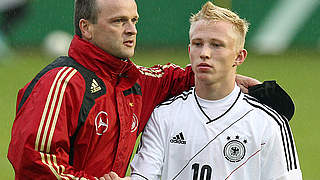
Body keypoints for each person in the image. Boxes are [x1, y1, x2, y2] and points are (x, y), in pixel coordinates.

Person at [7, 0, 294, 179]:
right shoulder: (61, 83)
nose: (131, 29)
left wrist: (229, 79)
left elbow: (171, 78)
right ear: (87, 28)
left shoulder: (132, 83)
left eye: (134, 20)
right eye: (119, 21)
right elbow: (36, 165)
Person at [129, 2, 302, 180]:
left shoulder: (269, 122)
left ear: (239, 56)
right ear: (189, 51)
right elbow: (142, 176)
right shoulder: (163, 115)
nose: (204, 53)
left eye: (216, 45)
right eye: (197, 44)